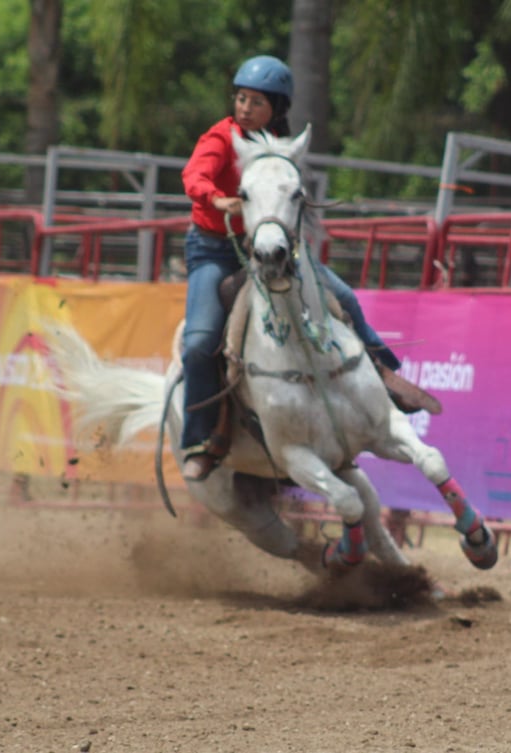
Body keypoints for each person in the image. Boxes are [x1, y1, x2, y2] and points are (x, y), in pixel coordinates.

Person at [178, 54, 422, 482]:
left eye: (256, 101)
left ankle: (386, 377)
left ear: (277, 108)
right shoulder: (221, 137)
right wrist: (217, 199)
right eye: (241, 98)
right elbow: (193, 176)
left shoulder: (282, 147)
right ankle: (201, 439)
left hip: (275, 250)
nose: (245, 108)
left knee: (344, 297)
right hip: (216, 249)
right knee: (198, 342)